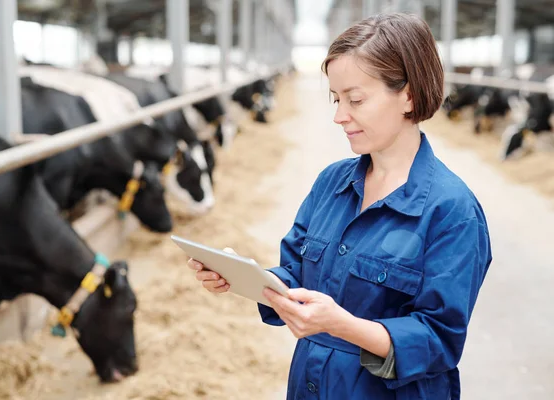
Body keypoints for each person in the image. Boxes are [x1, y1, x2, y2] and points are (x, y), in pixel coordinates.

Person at [186, 12, 492, 400]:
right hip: (312, 384)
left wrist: (343, 325)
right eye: (336, 98)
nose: (339, 116)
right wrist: (246, 278)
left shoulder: (452, 211)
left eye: (356, 99)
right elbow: (296, 273)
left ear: (409, 95)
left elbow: (439, 340)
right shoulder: (332, 182)